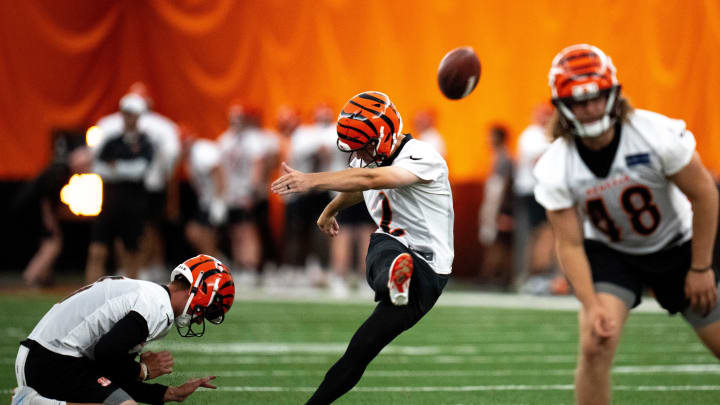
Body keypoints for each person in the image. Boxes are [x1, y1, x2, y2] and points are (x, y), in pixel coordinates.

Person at [534, 44, 720, 405]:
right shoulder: (556, 164)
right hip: (613, 254)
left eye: (596, 97)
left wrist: (701, 266)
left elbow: (706, 195)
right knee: (594, 344)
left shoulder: (655, 133)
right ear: (562, 107)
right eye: (578, 101)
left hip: (680, 245)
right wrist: (591, 304)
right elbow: (569, 244)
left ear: (613, 95)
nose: (588, 109)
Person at [271, 91, 454, 404]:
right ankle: (395, 279)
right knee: (359, 347)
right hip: (399, 253)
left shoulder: (423, 156)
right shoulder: (372, 158)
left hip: (427, 267)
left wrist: (312, 181)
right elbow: (363, 182)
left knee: (380, 246)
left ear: (381, 137)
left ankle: (396, 277)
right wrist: (331, 210)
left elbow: (372, 177)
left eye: (363, 146)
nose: (358, 153)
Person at [12, 254, 235, 405]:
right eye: (204, 312)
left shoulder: (151, 295)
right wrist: (141, 371)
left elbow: (112, 373)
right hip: (50, 361)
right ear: (196, 292)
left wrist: (171, 393)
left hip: (48, 356)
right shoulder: (156, 307)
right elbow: (106, 353)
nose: (198, 320)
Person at [86, 94, 154, 284]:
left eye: (132, 114)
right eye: (125, 113)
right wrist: (124, 168)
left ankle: (132, 300)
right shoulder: (112, 141)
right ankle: (88, 294)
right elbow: (98, 168)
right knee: (97, 251)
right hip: (109, 205)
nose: (128, 117)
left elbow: (140, 171)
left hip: (133, 207)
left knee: (132, 254)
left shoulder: (145, 142)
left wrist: (116, 167)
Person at [477, 124, 514, 288]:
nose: (487, 139)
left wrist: (503, 210)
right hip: (493, 201)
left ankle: (494, 275)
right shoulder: (497, 156)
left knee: (498, 239)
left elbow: (504, 185)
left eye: (490, 136)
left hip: (498, 203)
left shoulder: (505, 158)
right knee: (491, 237)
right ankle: (490, 274)